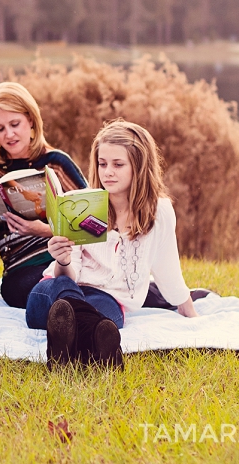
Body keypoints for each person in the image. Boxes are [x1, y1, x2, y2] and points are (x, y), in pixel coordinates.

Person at [25, 119, 201, 368]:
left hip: (105, 297)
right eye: (102, 163)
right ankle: (89, 344)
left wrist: (191, 314)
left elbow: (167, 268)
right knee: (64, 303)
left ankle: (66, 348)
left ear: (139, 167)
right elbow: (67, 275)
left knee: (106, 318)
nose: (107, 172)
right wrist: (62, 260)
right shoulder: (81, 205)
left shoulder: (159, 212)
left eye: (118, 164)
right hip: (56, 288)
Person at [0, 82, 89, 308]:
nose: (9, 134)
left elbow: (91, 225)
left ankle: (74, 305)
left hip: (63, 257)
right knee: (19, 288)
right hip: (20, 267)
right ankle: (74, 304)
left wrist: (41, 229)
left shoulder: (56, 163)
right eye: (0, 128)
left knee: (68, 279)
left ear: (31, 120)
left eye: (15, 124)